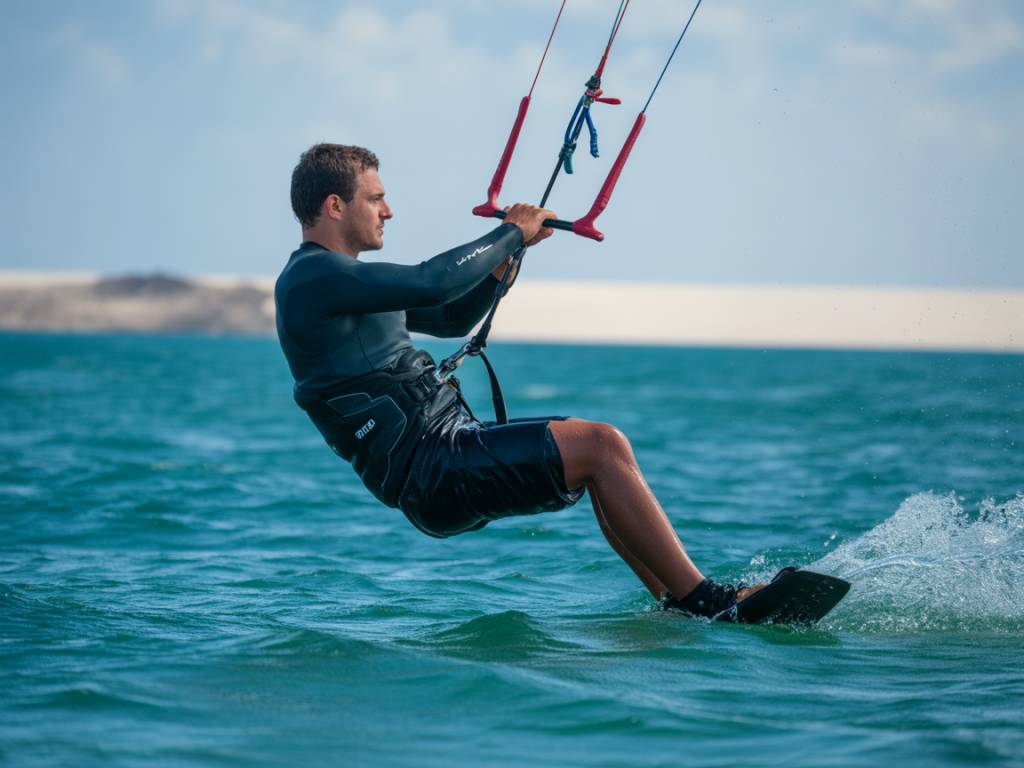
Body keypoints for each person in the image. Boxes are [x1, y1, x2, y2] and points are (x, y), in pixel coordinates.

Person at [275, 143, 763, 619]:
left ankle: (679, 604)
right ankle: (708, 600)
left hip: (446, 452)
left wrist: (499, 272)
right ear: (335, 206)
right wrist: (511, 232)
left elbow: (449, 317)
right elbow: (432, 280)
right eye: (376, 198)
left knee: (596, 456)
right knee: (602, 445)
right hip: (432, 468)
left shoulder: (342, 285)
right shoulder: (313, 278)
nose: (389, 211)